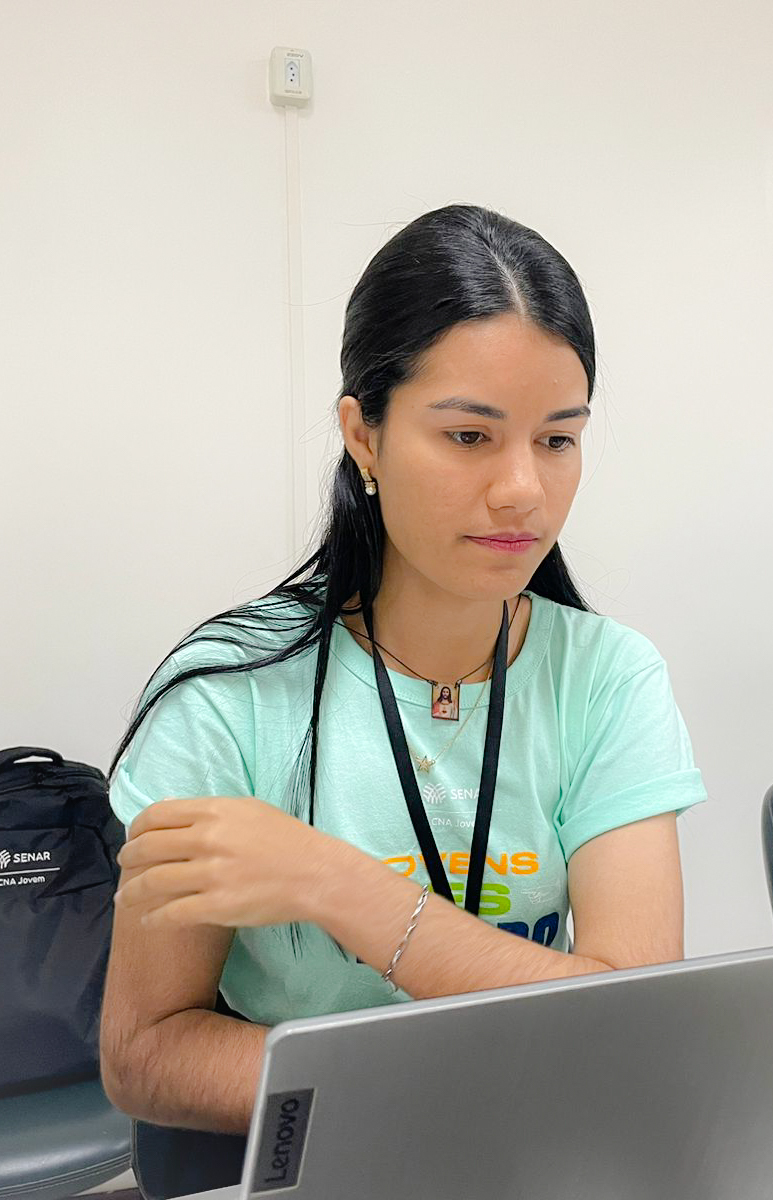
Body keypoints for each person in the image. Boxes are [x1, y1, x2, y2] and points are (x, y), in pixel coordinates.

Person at [99, 205, 707, 1135]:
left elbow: (630, 1017)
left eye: (558, 438)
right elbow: (147, 1054)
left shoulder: (608, 677)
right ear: (365, 435)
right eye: (470, 436)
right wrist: (433, 1099)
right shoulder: (228, 693)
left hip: (543, 1150)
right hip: (317, 1155)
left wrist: (334, 886)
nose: (523, 489)